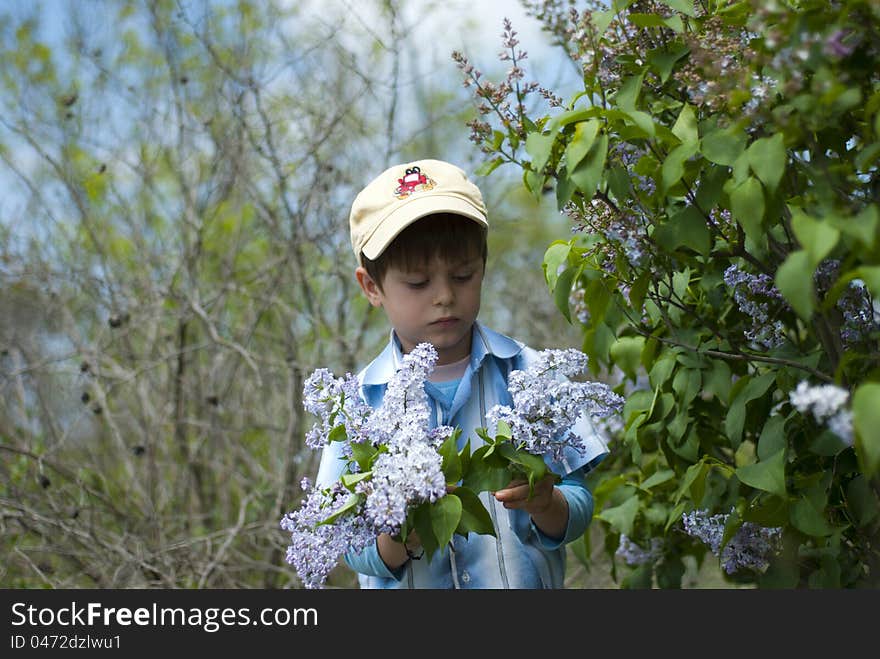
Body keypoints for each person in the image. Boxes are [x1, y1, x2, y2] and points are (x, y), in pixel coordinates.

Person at [315, 158, 608, 589]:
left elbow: (579, 504)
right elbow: (347, 541)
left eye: (463, 275)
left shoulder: (533, 375)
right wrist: (399, 536)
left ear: (484, 267)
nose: (445, 297)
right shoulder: (357, 403)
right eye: (417, 283)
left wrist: (548, 503)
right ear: (371, 287)